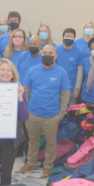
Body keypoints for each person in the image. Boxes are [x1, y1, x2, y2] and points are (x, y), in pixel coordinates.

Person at [20, 43, 70, 176]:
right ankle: (31, 162)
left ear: (56, 55)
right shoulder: (33, 71)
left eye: (50, 53)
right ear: (41, 54)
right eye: (45, 53)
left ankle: (48, 165)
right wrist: (26, 110)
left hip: (51, 116)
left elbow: (65, 95)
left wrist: (60, 114)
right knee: (33, 140)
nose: (47, 55)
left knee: (51, 142)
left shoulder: (61, 72)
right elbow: (26, 91)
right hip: (33, 114)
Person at [0, 59, 29, 186]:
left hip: (10, 142)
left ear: (12, 74)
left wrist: (20, 98)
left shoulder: (19, 90)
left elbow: (24, 117)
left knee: (6, 175)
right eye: (2, 70)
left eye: (8, 70)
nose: (5, 73)